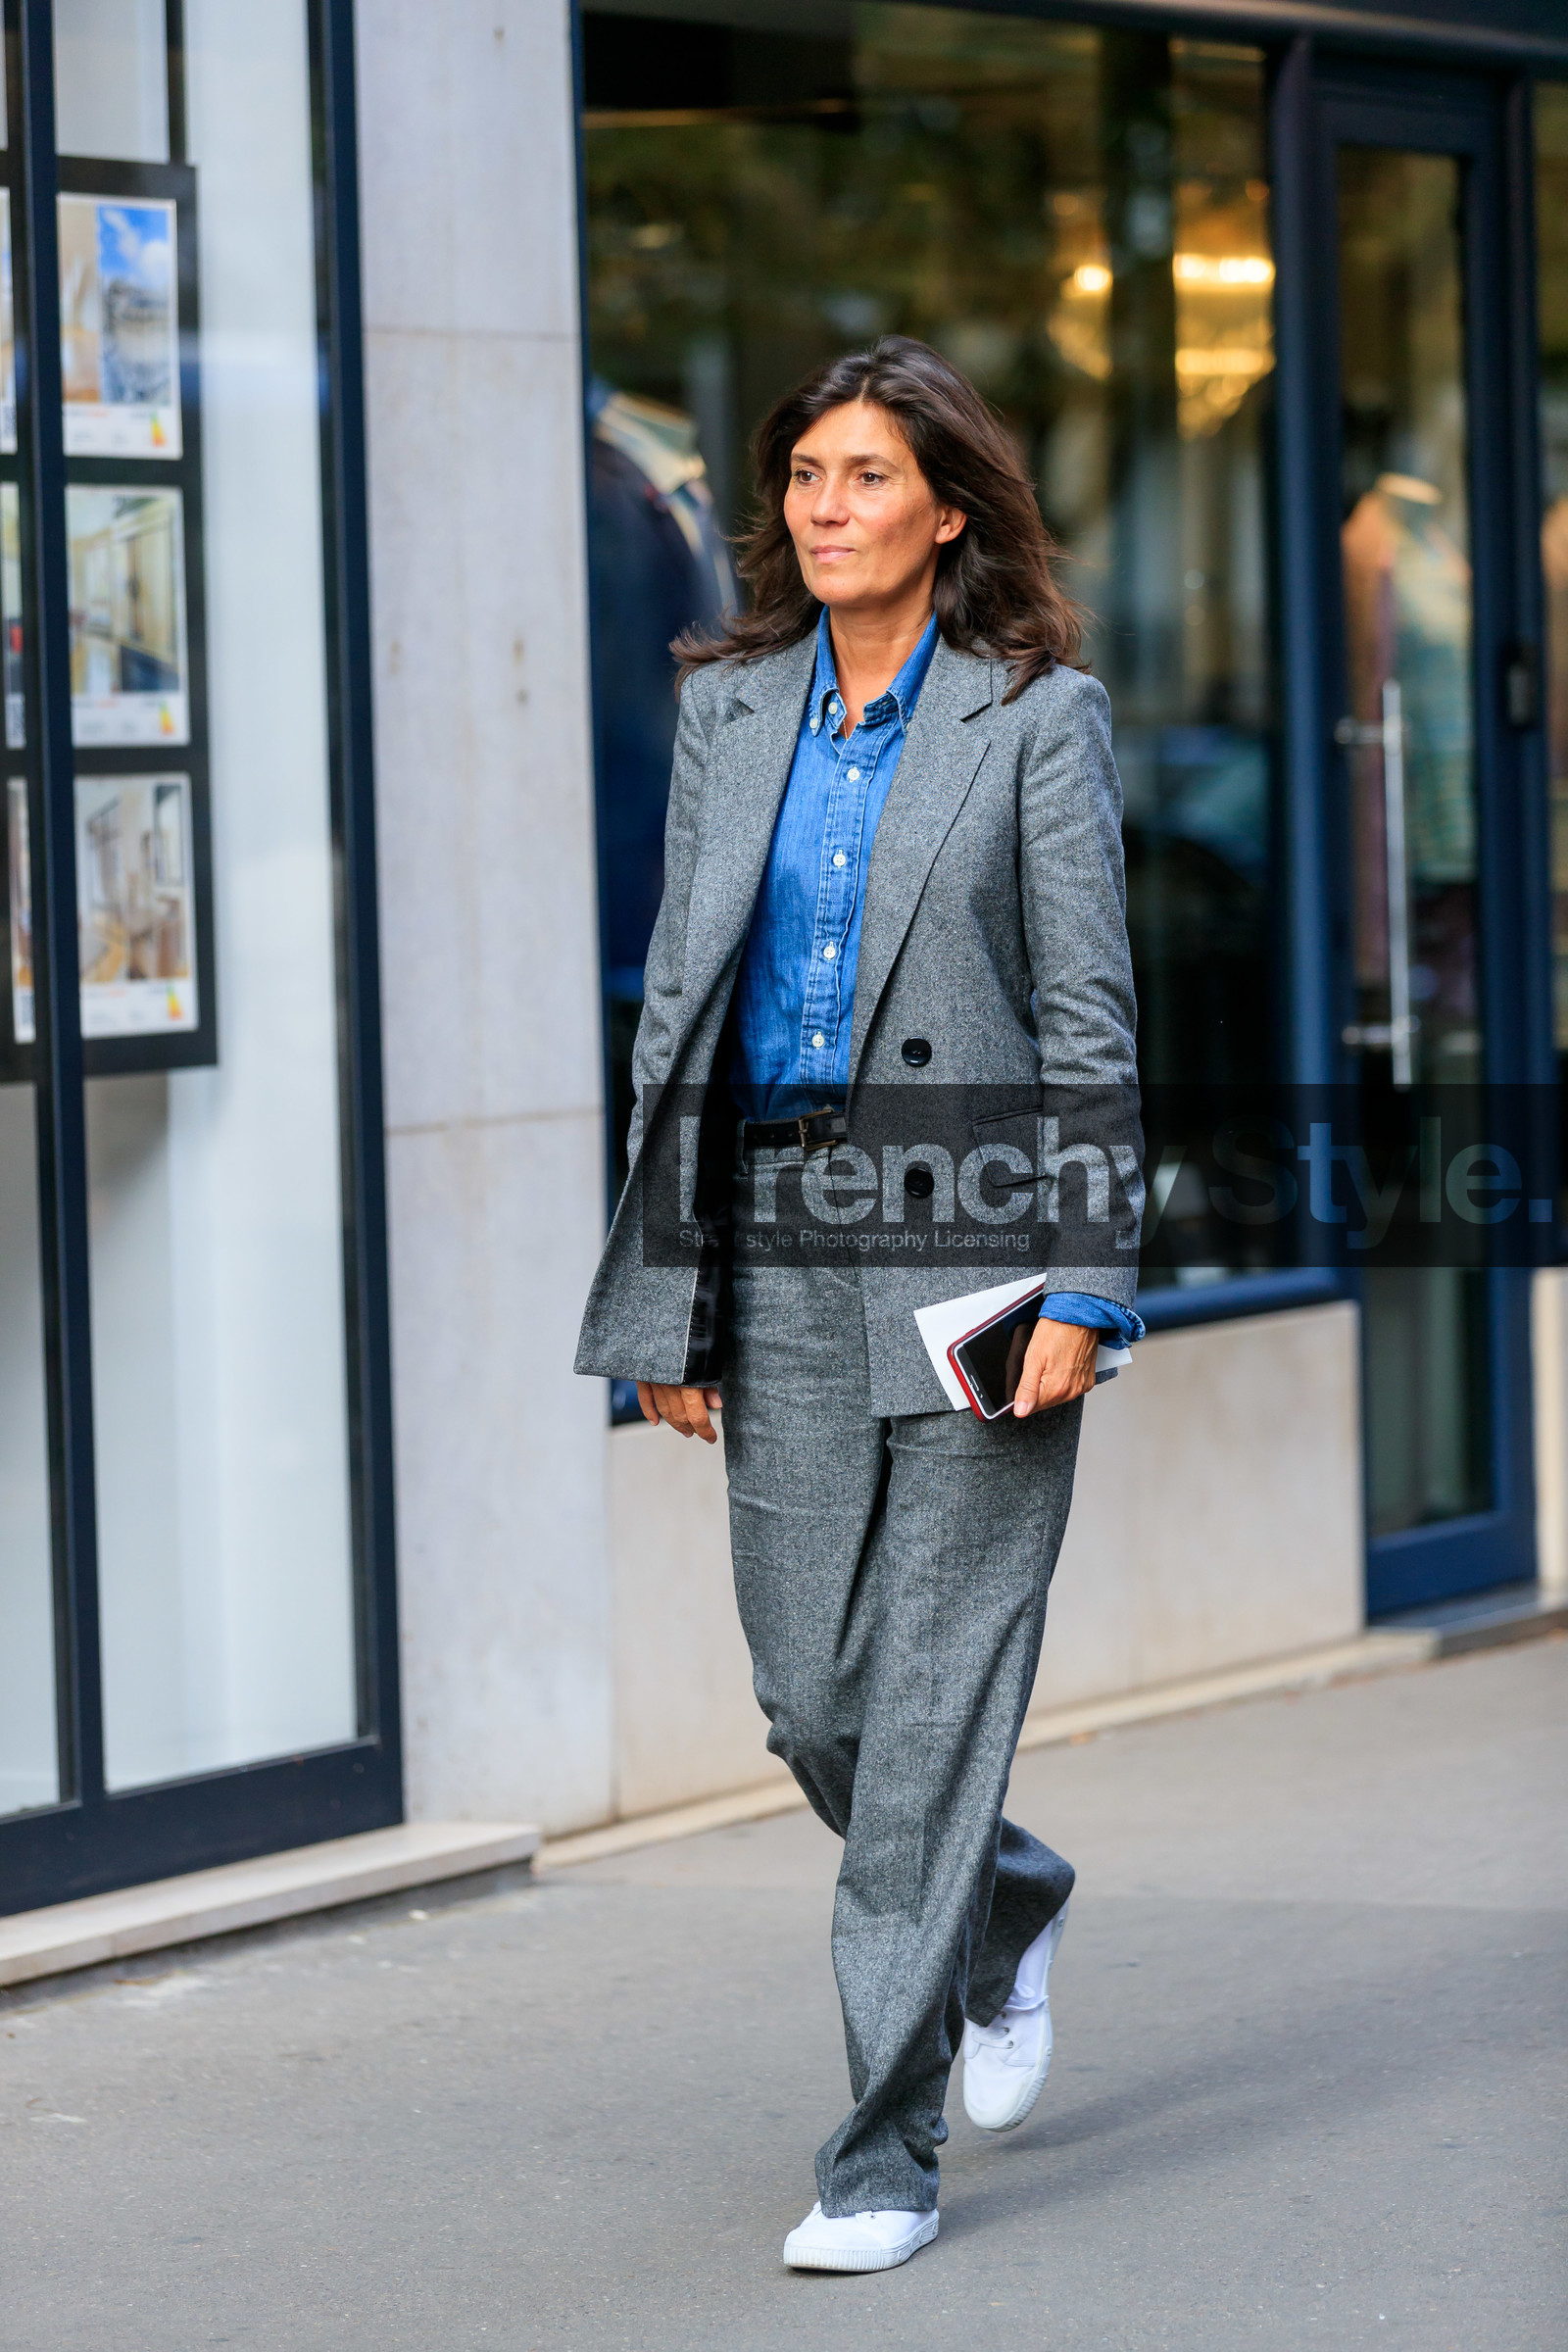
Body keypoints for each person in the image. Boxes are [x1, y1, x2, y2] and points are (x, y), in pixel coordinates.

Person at [575, 336, 1143, 2273]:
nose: (824, 506)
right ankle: (999, 1908)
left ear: (947, 511)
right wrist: (663, 1295)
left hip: (979, 1246)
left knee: (922, 1713)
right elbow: (675, 1018)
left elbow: (1083, 1021)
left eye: (863, 477)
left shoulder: (1029, 715)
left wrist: (1086, 1273)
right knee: (809, 1697)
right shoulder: (732, 709)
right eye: (803, 477)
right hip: (778, 1240)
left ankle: (875, 2159)